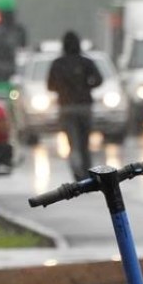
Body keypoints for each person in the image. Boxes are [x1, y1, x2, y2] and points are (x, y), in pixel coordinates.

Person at [47, 31, 103, 180]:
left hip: (66, 108)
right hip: (85, 106)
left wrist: (63, 88)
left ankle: (77, 174)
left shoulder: (58, 64)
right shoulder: (86, 62)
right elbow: (99, 80)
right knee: (85, 143)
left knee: (73, 144)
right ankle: (88, 172)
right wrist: (86, 86)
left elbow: (50, 85)